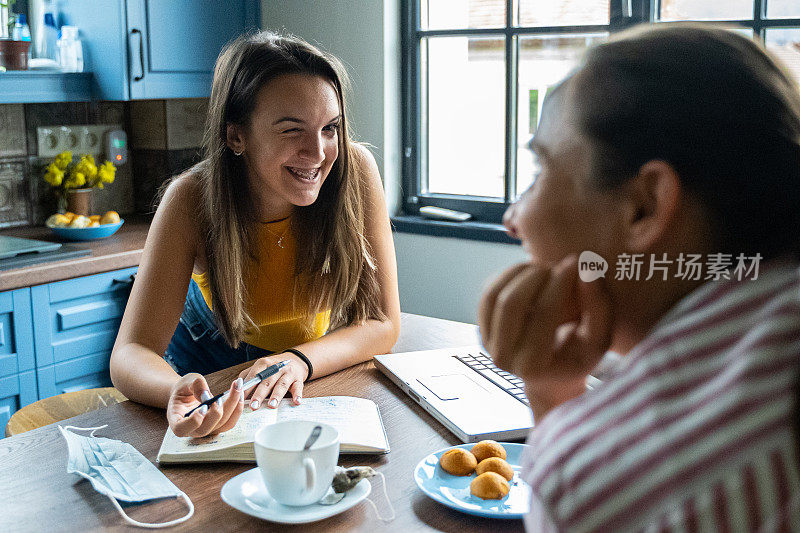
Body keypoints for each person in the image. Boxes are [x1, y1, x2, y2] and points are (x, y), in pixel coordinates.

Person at [479, 24, 800, 531]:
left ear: (645, 205)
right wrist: (554, 388)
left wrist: (558, 422)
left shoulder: (607, 487)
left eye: (540, 172)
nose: (512, 219)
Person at [110, 31, 401, 439]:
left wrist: (299, 360)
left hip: (304, 360)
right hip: (212, 357)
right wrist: (176, 388)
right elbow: (130, 353)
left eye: (329, 128)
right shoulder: (190, 199)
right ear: (236, 136)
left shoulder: (356, 172)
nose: (318, 153)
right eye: (291, 130)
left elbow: (383, 322)